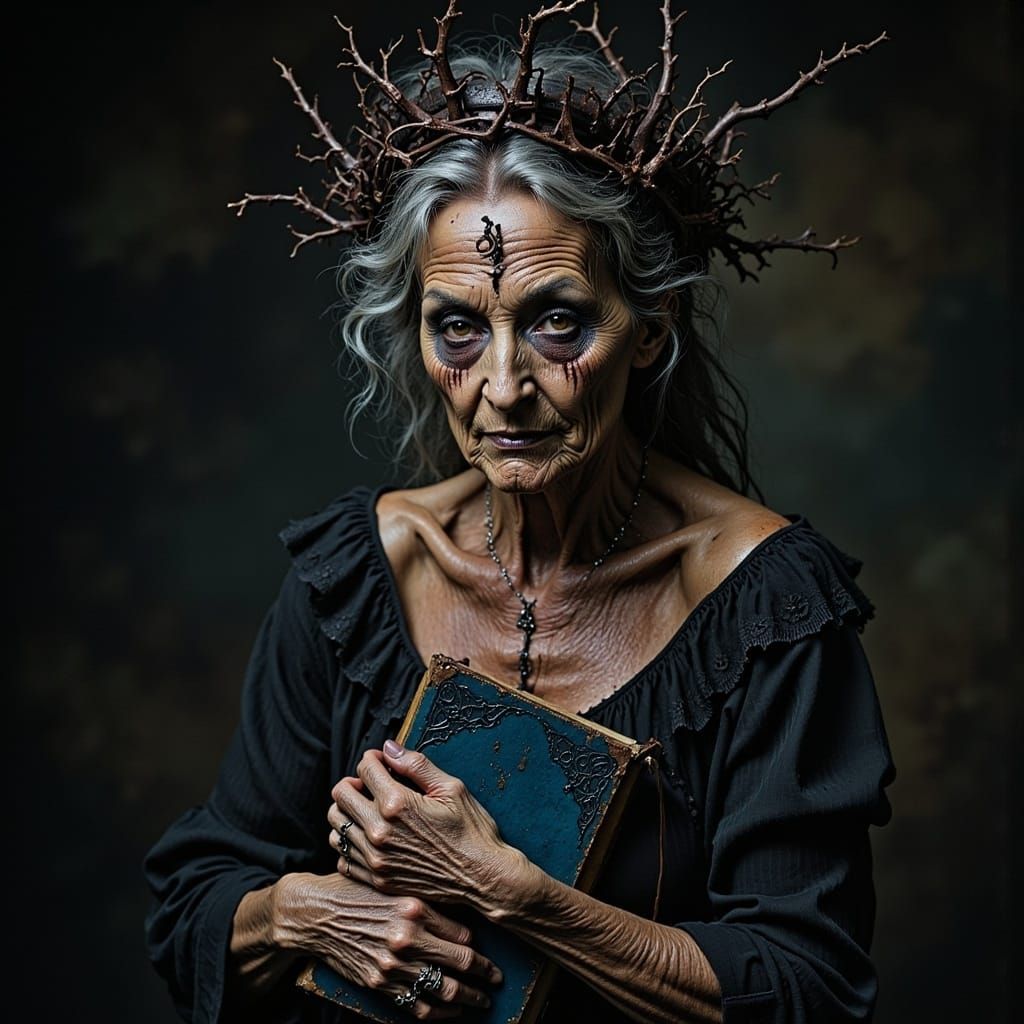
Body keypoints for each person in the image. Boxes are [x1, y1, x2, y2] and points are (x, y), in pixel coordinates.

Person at [144, 5, 895, 1022]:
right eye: (458, 328)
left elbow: (807, 986)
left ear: (649, 327)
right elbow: (193, 904)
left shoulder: (765, 610)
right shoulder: (360, 573)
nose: (503, 387)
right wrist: (306, 914)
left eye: (557, 322)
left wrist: (513, 892)